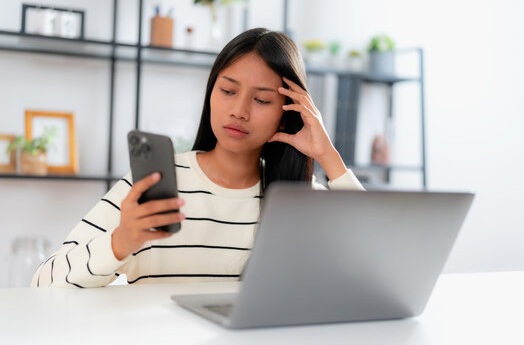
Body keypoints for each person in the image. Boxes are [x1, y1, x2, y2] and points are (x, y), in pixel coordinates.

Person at [31, 28, 364, 288]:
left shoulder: (300, 199)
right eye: (228, 91)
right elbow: (44, 281)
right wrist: (121, 241)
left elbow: (376, 269)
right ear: (211, 94)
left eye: (261, 100)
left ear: (286, 114)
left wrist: (328, 156)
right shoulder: (153, 185)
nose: (238, 111)